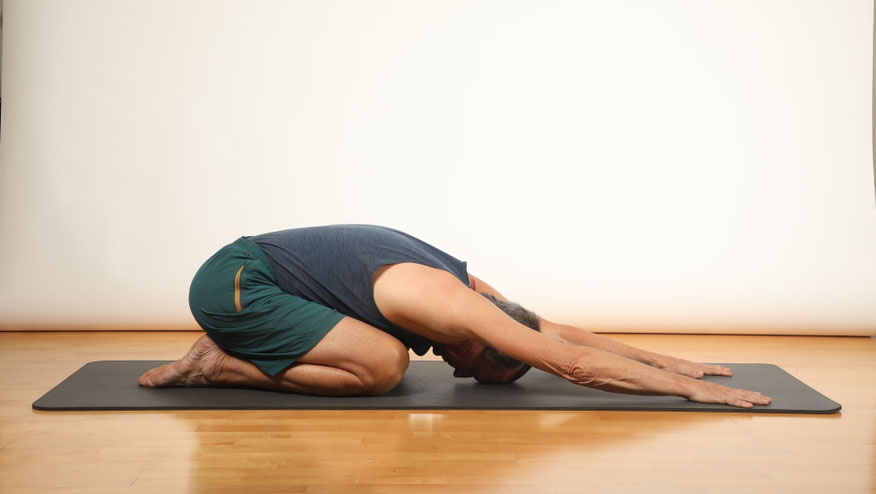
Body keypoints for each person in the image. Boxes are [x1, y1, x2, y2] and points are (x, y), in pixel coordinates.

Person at [139, 225, 771, 409]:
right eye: (473, 369)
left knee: (384, 359)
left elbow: (556, 331)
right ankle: (217, 363)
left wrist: (672, 360)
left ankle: (228, 354)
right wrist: (689, 393)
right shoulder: (449, 306)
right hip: (236, 287)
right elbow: (573, 364)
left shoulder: (485, 297)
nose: (454, 369)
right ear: (481, 340)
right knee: (383, 366)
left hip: (249, 274)